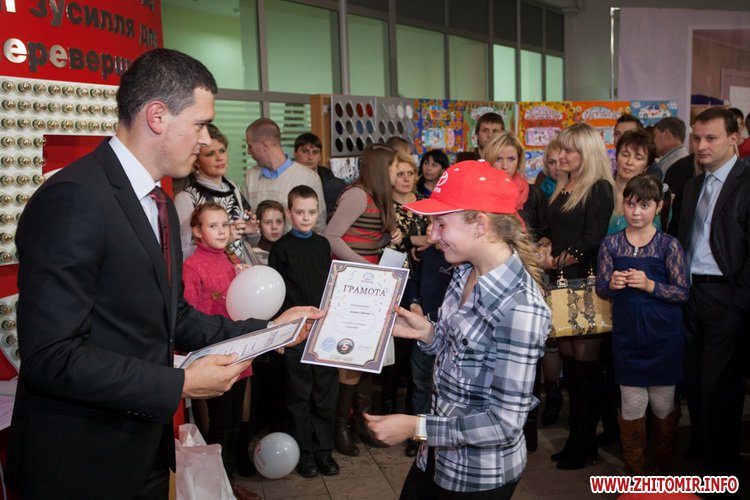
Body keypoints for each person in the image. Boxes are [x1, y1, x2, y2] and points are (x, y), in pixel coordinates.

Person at [6, 48, 321, 499]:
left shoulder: (160, 205)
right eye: (200, 124)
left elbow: (174, 316)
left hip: (143, 451)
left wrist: (271, 330)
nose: (206, 140)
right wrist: (181, 384)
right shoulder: (74, 199)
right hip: (78, 463)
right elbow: (51, 357)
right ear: (157, 116)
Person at [365, 160, 550, 499]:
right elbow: (466, 356)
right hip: (436, 457)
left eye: (441, 223)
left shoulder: (521, 308)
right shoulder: (464, 270)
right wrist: (428, 333)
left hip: (476, 475)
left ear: (480, 225)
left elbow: (504, 424)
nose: (432, 235)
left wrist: (416, 427)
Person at [596, 175, 688, 475]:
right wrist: (612, 284)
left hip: (664, 337)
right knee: (631, 407)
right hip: (628, 337)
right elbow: (602, 288)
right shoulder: (611, 243)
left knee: (663, 407)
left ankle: (662, 472)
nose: (636, 212)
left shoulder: (668, 245)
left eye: (644, 205)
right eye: (630, 204)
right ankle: (634, 475)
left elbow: (682, 292)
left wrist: (650, 285)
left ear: (658, 207)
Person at [679, 107, 750, 482]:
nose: (702, 145)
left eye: (711, 138)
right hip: (691, 295)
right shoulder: (694, 185)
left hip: (727, 297)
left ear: (733, 139)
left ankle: (722, 471)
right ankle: (704, 452)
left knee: (719, 386)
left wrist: (740, 298)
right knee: (693, 380)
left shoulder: (746, 182)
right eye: (697, 138)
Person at [539, 123, 615, 470]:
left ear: (587, 153)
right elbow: (554, 230)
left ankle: (584, 442)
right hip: (561, 283)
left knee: (587, 372)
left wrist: (557, 258)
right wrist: (544, 246)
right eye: (561, 149)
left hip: (585, 284)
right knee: (571, 368)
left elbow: (592, 239)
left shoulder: (598, 187)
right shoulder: (564, 185)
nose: (562, 155)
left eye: (570, 150)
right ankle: (578, 441)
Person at [323, 144, 401, 456]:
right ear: (382, 169)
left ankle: (359, 421)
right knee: (351, 356)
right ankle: (340, 424)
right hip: (354, 284)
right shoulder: (356, 195)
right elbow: (331, 236)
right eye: (394, 166)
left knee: (368, 355)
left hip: (372, 284)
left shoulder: (380, 197)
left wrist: (388, 238)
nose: (398, 172)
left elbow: (365, 236)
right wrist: (366, 265)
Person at [268, 186, 339, 478]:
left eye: (311, 212)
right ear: (289, 213)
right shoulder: (281, 249)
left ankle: (324, 452)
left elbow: (331, 286)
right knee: (299, 397)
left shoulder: (323, 245)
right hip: (296, 333)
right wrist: (281, 332)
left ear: (318, 212)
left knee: (325, 394)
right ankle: (305, 454)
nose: (306, 217)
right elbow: (276, 296)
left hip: (324, 332)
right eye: (299, 212)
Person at [182, 203, 253, 484]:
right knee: (221, 424)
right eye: (213, 226)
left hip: (239, 350)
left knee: (236, 420)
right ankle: (217, 486)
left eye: (225, 225)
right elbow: (190, 315)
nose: (222, 231)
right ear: (197, 231)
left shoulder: (232, 260)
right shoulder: (192, 266)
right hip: (214, 356)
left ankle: (230, 482)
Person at [175, 123, 259, 262]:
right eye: (210, 154)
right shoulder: (186, 198)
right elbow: (185, 253)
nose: (219, 158)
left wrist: (252, 232)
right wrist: (225, 240)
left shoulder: (234, 189)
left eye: (222, 150)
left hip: (241, 269)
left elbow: (249, 243)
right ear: (196, 161)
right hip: (212, 273)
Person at [243, 118, 326, 233]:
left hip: (295, 244)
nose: (248, 151)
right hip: (258, 245)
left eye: (250, 146)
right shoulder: (251, 177)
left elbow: (319, 226)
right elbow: (246, 220)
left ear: (264, 145)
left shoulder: (308, 178)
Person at [482, 132, 547, 240]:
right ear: (489, 160)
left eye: (511, 159)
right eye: (498, 159)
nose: (505, 166)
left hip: (527, 250)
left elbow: (546, 234)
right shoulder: (479, 194)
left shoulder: (534, 194)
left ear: (519, 160)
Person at [607, 129, 658, 234]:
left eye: (638, 158)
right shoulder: (601, 190)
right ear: (616, 157)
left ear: (647, 166)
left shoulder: (651, 198)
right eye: (625, 155)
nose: (629, 162)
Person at [293, 132, 346, 221]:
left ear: (320, 156)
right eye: (305, 151)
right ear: (295, 153)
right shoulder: (287, 177)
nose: (310, 157)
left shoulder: (334, 184)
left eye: (315, 152)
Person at [253, 199, 286, 266]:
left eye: (279, 221)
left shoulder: (291, 251)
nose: (274, 227)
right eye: (268, 222)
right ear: (259, 224)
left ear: (284, 223)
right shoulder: (250, 254)